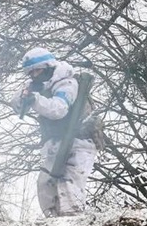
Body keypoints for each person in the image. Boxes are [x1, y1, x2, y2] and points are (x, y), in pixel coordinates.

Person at [11, 47, 97, 217]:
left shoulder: (67, 83)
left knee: (69, 185)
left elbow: (59, 109)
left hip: (78, 142)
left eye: (38, 70)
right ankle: (53, 225)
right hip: (56, 143)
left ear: (48, 67)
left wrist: (35, 100)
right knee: (46, 185)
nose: (35, 75)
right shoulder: (39, 85)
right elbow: (16, 104)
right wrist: (25, 95)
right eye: (31, 73)